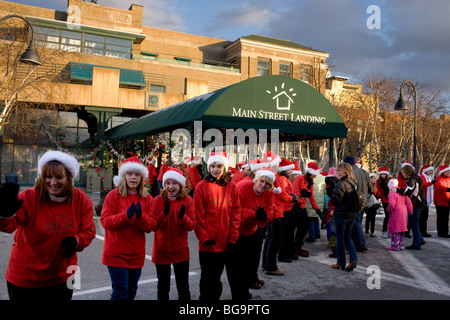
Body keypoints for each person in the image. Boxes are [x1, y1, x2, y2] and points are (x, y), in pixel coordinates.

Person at [0, 150, 96, 300]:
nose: (52, 182)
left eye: (59, 177)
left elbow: (89, 231)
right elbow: (8, 226)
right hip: (26, 278)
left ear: (70, 177)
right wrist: (4, 213)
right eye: (48, 177)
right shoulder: (29, 197)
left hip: (63, 277)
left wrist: (76, 241)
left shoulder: (81, 200)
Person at [101, 156, 155, 300]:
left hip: (136, 254)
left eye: (137, 174)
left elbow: (151, 226)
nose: (133, 177)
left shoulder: (147, 198)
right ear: (123, 175)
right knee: (120, 293)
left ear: (141, 177)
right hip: (116, 254)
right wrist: (126, 215)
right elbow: (105, 222)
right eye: (129, 174)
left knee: (131, 292)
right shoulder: (113, 196)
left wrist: (140, 216)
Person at [194, 152, 241, 301]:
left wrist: (233, 236)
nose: (215, 169)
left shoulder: (232, 187)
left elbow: (235, 212)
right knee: (207, 277)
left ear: (224, 168)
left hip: (225, 241)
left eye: (219, 166)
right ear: (209, 168)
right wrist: (203, 237)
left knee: (217, 277)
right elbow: (198, 216)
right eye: (212, 166)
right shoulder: (201, 186)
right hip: (207, 243)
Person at [151, 167, 196, 300]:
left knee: (183, 287)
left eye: (174, 183)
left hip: (180, 250)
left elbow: (191, 226)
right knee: (163, 287)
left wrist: (183, 217)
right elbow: (153, 226)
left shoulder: (187, 200)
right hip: (161, 250)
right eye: (168, 183)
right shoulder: (158, 200)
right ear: (164, 185)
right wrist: (163, 214)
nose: (171, 187)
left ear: (180, 185)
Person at [236, 168, 274, 295]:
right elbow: (236, 211)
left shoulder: (268, 193)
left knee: (253, 257)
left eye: (267, 184)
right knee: (240, 261)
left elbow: (270, 211)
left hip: (253, 228)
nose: (263, 185)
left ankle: (251, 278)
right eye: (262, 181)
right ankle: (242, 290)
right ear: (256, 180)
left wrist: (264, 218)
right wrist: (254, 214)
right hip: (237, 229)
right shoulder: (243, 187)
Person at [330, 162, 358, 272]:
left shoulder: (342, 183)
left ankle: (340, 262)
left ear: (345, 172)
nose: (338, 172)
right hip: (351, 214)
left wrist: (332, 190)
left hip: (342, 214)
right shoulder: (353, 183)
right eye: (337, 170)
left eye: (340, 170)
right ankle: (353, 259)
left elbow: (336, 200)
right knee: (348, 238)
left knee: (340, 238)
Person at [292, 162, 324, 257]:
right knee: (300, 228)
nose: (315, 176)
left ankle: (298, 246)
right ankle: (295, 248)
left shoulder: (310, 182)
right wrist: (301, 193)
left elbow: (312, 198)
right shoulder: (299, 178)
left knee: (304, 228)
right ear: (310, 173)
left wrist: (318, 211)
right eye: (314, 174)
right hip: (295, 206)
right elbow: (292, 193)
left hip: (303, 207)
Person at [396, 161, 425, 250]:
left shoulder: (412, 180)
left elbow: (408, 191)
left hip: (415, 204)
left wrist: (397, 190)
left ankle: (417, 243)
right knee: (414, 224)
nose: (402, 175)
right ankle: (420, 239)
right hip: (419, 203)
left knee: (413, 224)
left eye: (403, 173)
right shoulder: (417, 178)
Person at [343, 156, 369, 252]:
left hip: (354, 202)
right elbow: (370, 187)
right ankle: (357, 243)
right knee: (358, 222)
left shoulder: (350, 173)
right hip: (363, 201)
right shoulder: (364, 172)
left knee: (355, 223)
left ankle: (361, 244)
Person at [277, 159, 300, 261]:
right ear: (284, 170)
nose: (291, 171)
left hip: (288, 208)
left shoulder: (285, 179)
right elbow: (283, 194)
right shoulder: (283, 179)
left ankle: (289, 253)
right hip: (285, 209)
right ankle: (284, 255)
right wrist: (291, 197)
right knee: (286, 233)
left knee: (289, 233)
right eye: (289, 169)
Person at [386, 179, 413, 250]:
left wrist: (389, 210)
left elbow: (392, 204)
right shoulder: (401, 191)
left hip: (396, 211)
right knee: (402, 228)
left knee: (395, 229)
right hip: (404, 211)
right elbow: (409, 202)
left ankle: (395, 245)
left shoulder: (391, 193)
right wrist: (410, 211)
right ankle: (401, 244)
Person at [433, 164, 450, 238]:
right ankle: (441, 232)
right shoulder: (438, 178)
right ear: (443, 172)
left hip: (447, 200)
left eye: (448, 171)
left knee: (446, 217)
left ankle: (445, 232)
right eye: (446, 171)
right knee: (441, 217)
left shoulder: (449, 178)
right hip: (440, 201)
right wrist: (447, 189)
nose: (448, 172)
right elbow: (439, 186)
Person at [419, 165, 434, 237]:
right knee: (423, 216)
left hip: (426, 199)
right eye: (430, 171)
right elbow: (422, 185)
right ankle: (422, 231)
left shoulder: (428, 177)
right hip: (423, 198)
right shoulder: (422, 177)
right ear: (426, 171)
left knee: (425, 216)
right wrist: (431, 183)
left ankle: (423, 231)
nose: (431, 172)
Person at [376, 167, 391, 238]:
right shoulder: (378, 181)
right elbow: (378, 190)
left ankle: (390, 230)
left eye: (384, 174)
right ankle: (384, 230)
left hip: (391, 199)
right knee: (387, 215)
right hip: (385, 200)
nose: (383, 176)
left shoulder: (390, 180)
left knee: (391, 216)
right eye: (382, 174)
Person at [365, 172, 380, 237]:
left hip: (374, 204)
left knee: (373, 218)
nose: (373, 180)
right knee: (368, 218)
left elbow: (378, 194)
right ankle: (367, 231)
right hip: (368, 204)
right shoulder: (367, 186)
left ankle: (372, 232)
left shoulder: (376, 186)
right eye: (372, 178)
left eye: (374, 178)